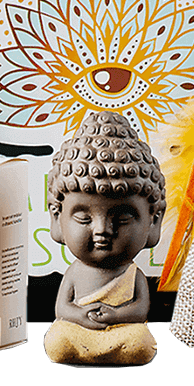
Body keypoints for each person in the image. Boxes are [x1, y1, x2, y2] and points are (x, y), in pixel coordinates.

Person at [43, 111, 165, 364]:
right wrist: (80, 316)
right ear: (56, 217)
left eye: (122, 219)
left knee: (140, 342)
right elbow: (62, 309)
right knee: (56, 341)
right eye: (83, 218)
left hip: (121, 331)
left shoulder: (133, 275)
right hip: (78, 329)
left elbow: (141, 309)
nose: (102, 230)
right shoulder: (75, 272)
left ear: (154, 221)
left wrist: (115, 316)